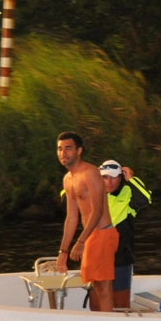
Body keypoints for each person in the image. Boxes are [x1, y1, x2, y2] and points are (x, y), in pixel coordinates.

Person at [55, 131, 118, 311]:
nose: (63, 153)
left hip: (103, 232)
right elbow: (71, 217)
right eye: (60, 149)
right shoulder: (68, 179)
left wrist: (81, 241)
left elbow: (97, 211)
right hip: (90, 235)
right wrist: (63, 251)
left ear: (79, 151)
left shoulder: (90, 173)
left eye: (68, 148)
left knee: (103, 286)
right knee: (96, 285)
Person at [99, 159, 152, 309]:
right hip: (97, 255)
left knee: (120, 302)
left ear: (120, 177)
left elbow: (145, 199)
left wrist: (132, 179)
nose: (109, 182)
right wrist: (89, 176)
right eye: (105, 177)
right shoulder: (93, 192)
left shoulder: (128, 193)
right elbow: (66, 195)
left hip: (121, 257)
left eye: (114, 177)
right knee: (97, 300)